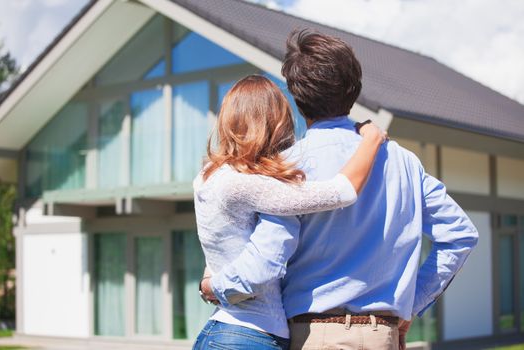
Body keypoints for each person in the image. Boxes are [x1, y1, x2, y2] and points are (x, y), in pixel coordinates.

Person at [201, 29, 479, 350]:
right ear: (354, 88)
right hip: (383, 335)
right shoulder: (405, 162)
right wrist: (410, 305)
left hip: (315, 335)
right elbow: (460, 234)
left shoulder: (285, 168)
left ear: (295, 94)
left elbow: (268, 255)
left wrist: (214, 287)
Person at [192, 74, 387, 350]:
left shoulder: (208, 177)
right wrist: (372, 138)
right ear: (275, 123)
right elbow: (342, 191)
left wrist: (209, 284)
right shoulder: (248, 185)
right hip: (248, 335)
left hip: (224, 331)